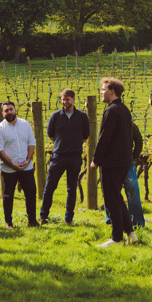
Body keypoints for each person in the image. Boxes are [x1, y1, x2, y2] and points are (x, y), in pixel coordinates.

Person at [91, 77, 138, 247]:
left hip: (111, 162)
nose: (101, 93)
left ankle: (116, 238)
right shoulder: (124, 109)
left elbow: (105, 138)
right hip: (124, 160)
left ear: (112, 91)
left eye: (103, 90)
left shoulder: (111, 111)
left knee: (111, 200)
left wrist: (96, 160)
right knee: (117, 198)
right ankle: (131, 234)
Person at [39, 88, 89, 225]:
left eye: (67, 99)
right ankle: (43, 216)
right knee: (49, 187)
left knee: (71, 188)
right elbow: (51, 134)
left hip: (75, 157)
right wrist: (61, 145)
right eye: (63, 99)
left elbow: (86, 135)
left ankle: (69, 218)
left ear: (73, 99)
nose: (65, 102)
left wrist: (74, 144)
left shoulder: (82, 116)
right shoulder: (55, 116)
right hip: (58, 156)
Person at [0, 100, 38, 228]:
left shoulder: (25, 124)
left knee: (31, 193)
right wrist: (12, 165)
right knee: (8, 195)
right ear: (2, 113)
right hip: (8, 169)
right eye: (6, 110)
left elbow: (31, 142)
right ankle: (8, 222)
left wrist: (28, 160)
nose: (9, 112)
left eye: (11, 109)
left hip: (26, 166)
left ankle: (32, 220)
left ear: (15, 110)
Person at [104, 120, 146, 228]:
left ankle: (136, 221)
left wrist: (134, 156)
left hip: (127, 160)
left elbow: (139, 140)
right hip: (110, 160)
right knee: (110, 190)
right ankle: (111, 219)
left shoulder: (131, 125)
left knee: (133, 189)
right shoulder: (107, 124)